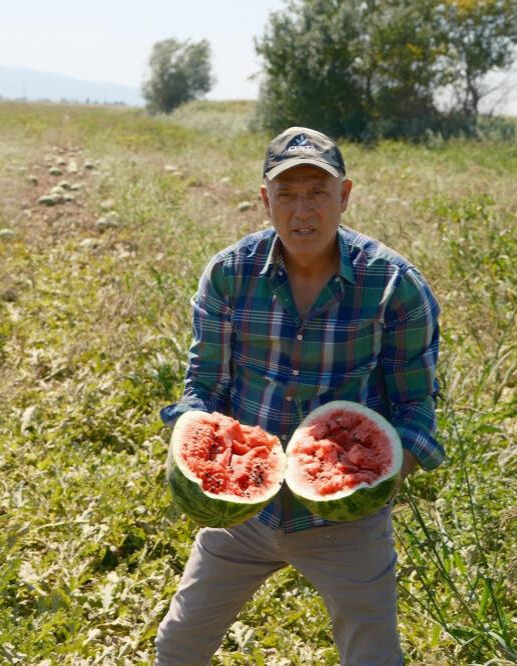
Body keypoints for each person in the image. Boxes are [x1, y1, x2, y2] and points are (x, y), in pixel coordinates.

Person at [155, 127, 444, 665]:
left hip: (344, 526)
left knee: (374, 657)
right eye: (286, 194)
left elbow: (416, 407)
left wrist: (372, 475)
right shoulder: (229, 275)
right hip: (241, 516)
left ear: (346, 195)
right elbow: (204, 385)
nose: (302, 210)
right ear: (266, 200)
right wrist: (194, 443)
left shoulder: (394, 285)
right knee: (178, 646)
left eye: (318, 192)